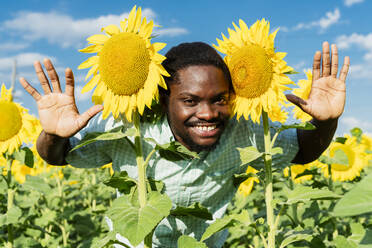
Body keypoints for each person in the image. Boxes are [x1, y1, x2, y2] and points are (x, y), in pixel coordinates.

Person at [20, 41, 349, 247]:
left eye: (219, 99)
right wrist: (55, 134)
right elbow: (60, 157)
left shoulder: (242, 133)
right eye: (190, 101)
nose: (207, 113)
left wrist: (326, 121)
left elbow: (302, 151)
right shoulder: (129, 130)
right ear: (165, 100)